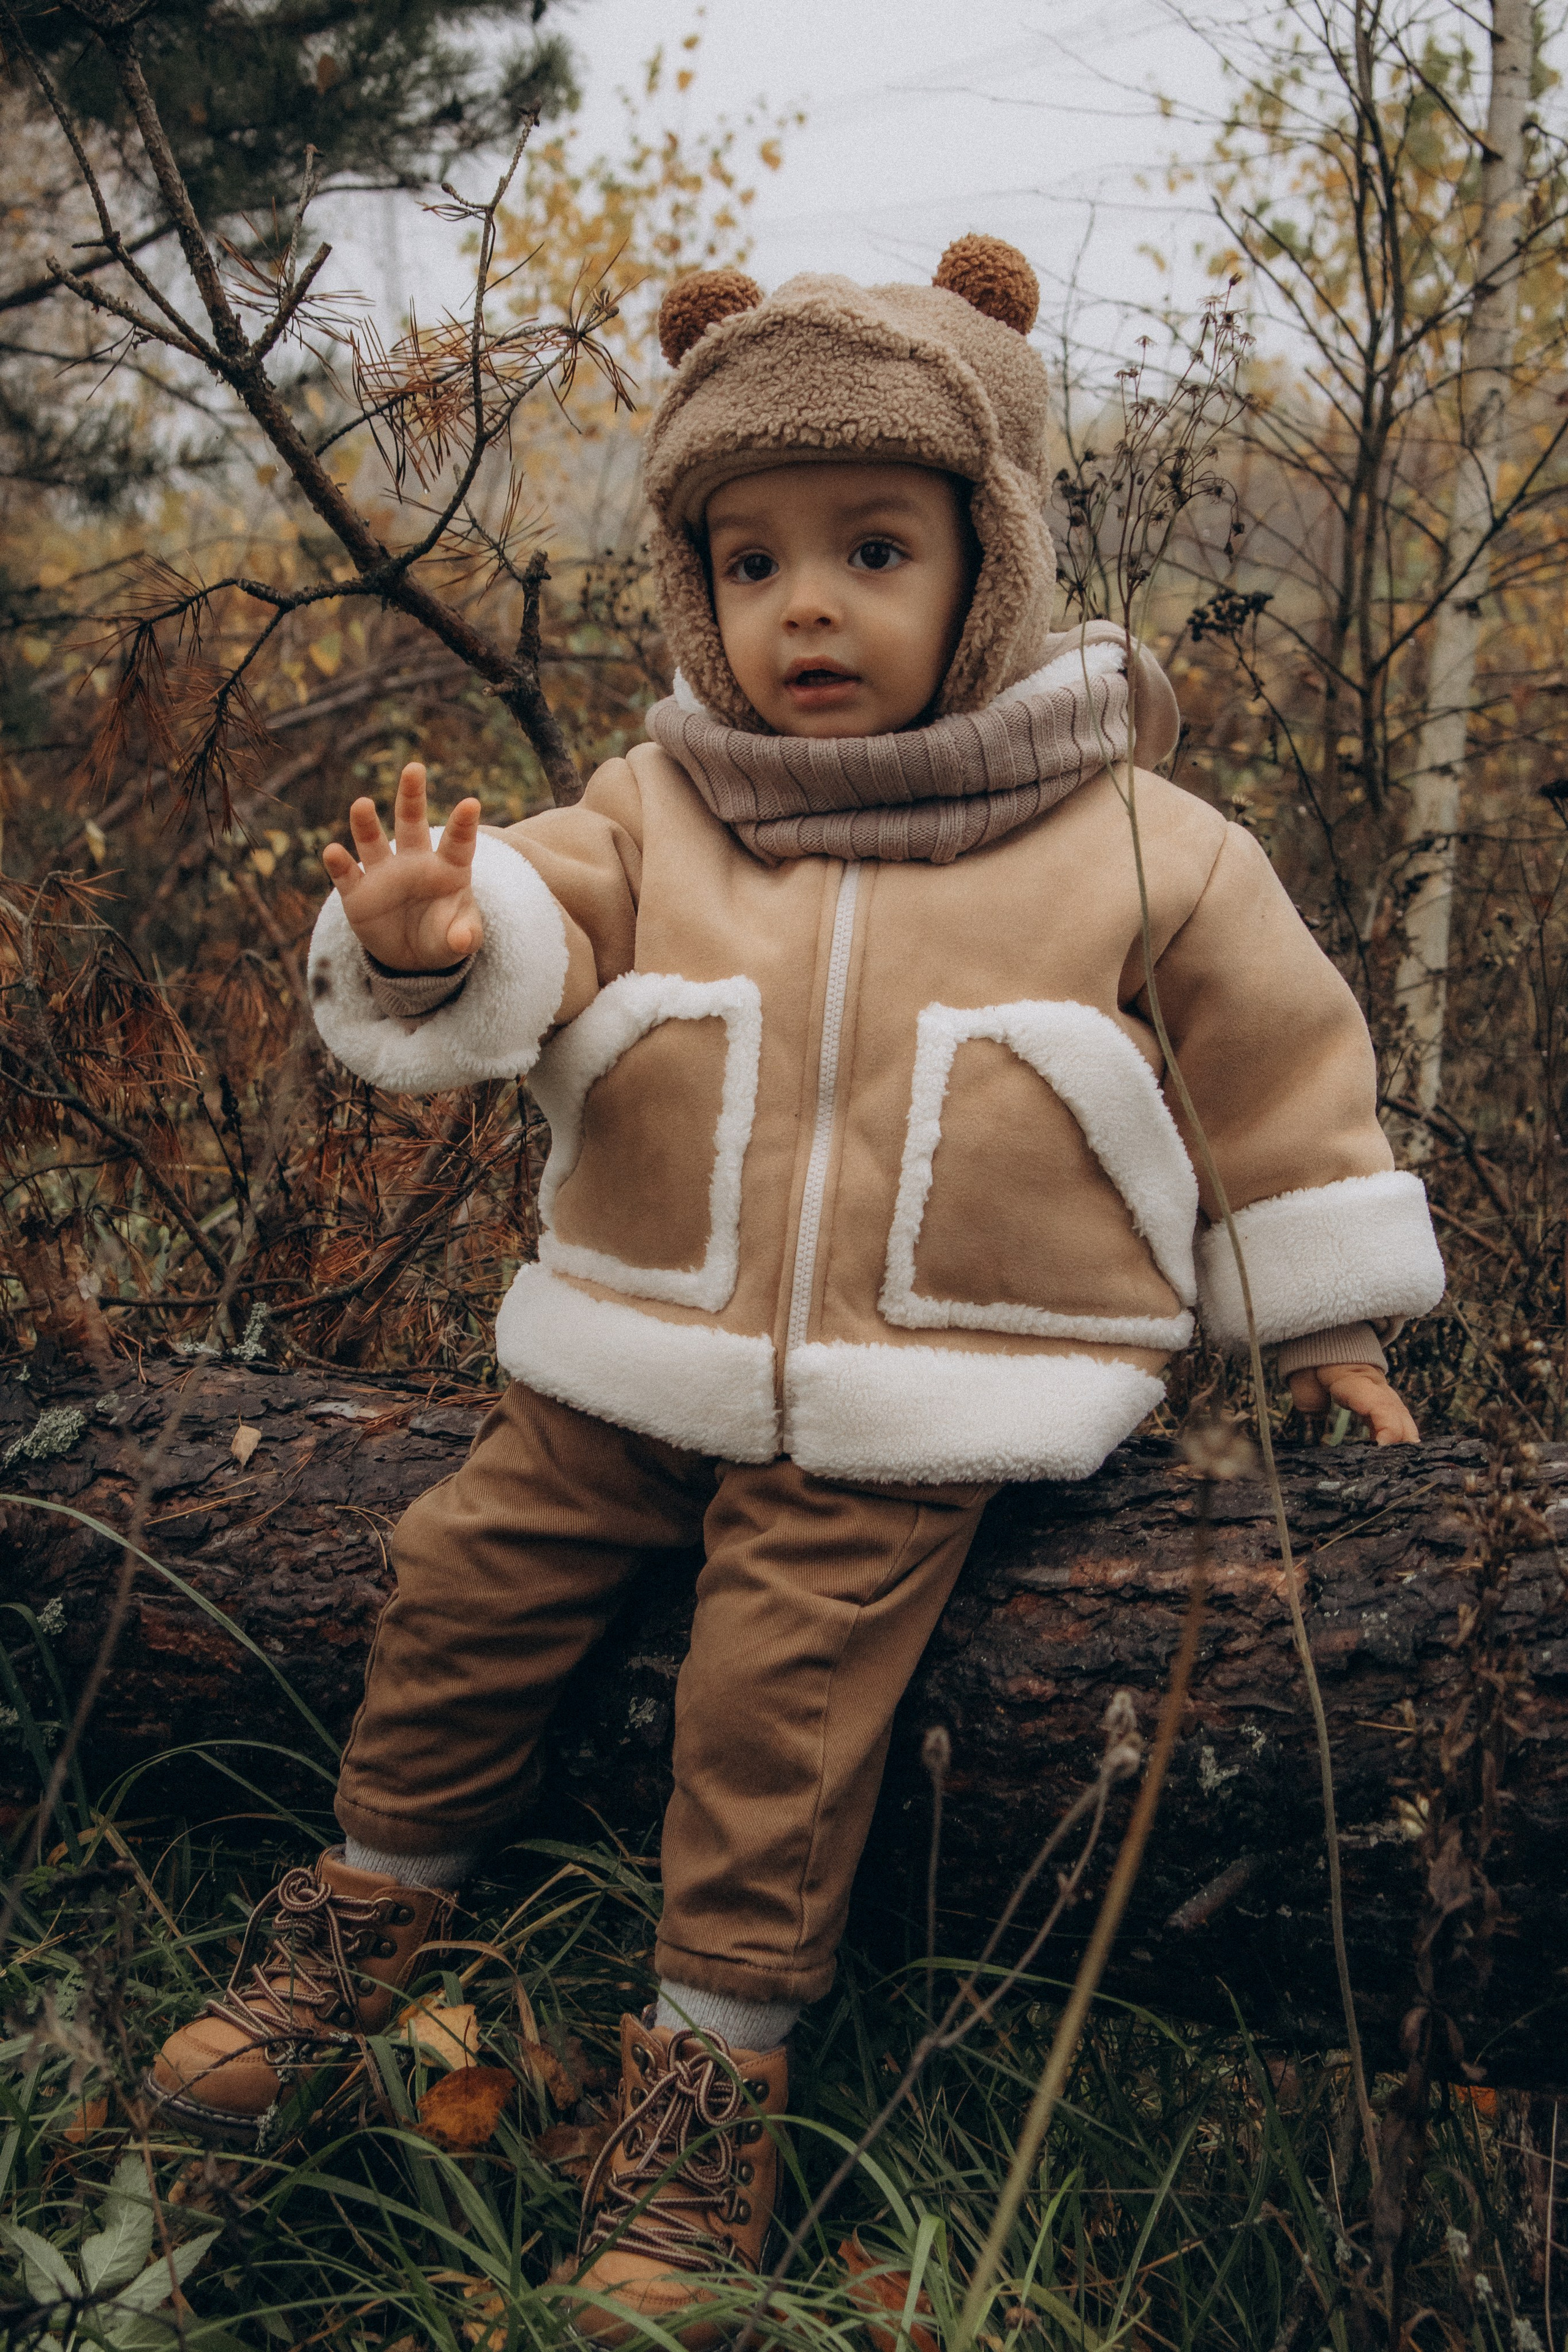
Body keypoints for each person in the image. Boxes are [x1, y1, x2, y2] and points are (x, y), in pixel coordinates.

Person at [148, 237, 1442, 2338]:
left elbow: (1278, 1082)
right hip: (627, 1345)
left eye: (872, 550)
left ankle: (702, 2102)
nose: (806, 608)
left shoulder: (1135, 838)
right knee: (460, 1581)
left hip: (923, 1393)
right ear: (696, 591)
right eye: (750, 564)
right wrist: (427, 932)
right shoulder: (664, 801)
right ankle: (360, 1915)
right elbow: (534, 922)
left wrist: (1327, 1323)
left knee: (779, 1714)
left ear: (991, 566)